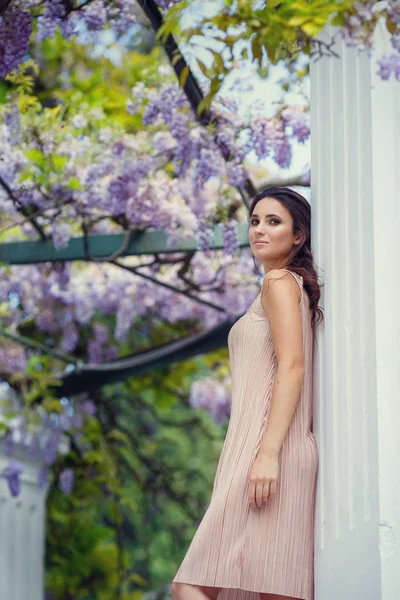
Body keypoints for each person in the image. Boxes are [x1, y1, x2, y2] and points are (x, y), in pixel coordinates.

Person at [171, 187, 323, 600]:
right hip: (267, 449)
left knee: (191, 585)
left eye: (274, 222)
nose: (259, 230)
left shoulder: (278, 282)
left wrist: (268, 454)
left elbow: (293, 366)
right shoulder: (286, 286)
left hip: (270, 449)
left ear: (298, 236)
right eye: (255, 221)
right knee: (272, 588)